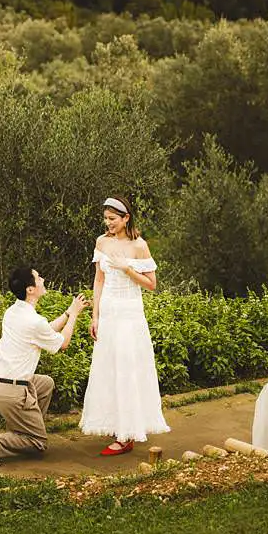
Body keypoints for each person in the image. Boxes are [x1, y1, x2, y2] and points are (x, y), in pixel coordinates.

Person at [79, 195, 169, 455]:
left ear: (126, 218)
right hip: (108, 312)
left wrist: (127, 269)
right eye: (106, 219)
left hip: (130, 314)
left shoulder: (139, 246)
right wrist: (95, 316)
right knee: (108, 368)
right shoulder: (101, 242)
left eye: (113, 219)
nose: (108, 224)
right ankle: (115, 423)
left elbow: (152, 285)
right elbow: (98, 280)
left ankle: (127, 434)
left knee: (127, 368)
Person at [0, 265, 88, 467]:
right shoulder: (34, 321)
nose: (42, 279)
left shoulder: (13, 312)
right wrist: (76, 314)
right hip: (11, 392)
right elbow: (62, 343)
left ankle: (24, 430)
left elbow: (46, 332)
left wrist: (68, 313)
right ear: (30, 289)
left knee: (45, 384)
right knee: (39, 443)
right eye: (38, 278)